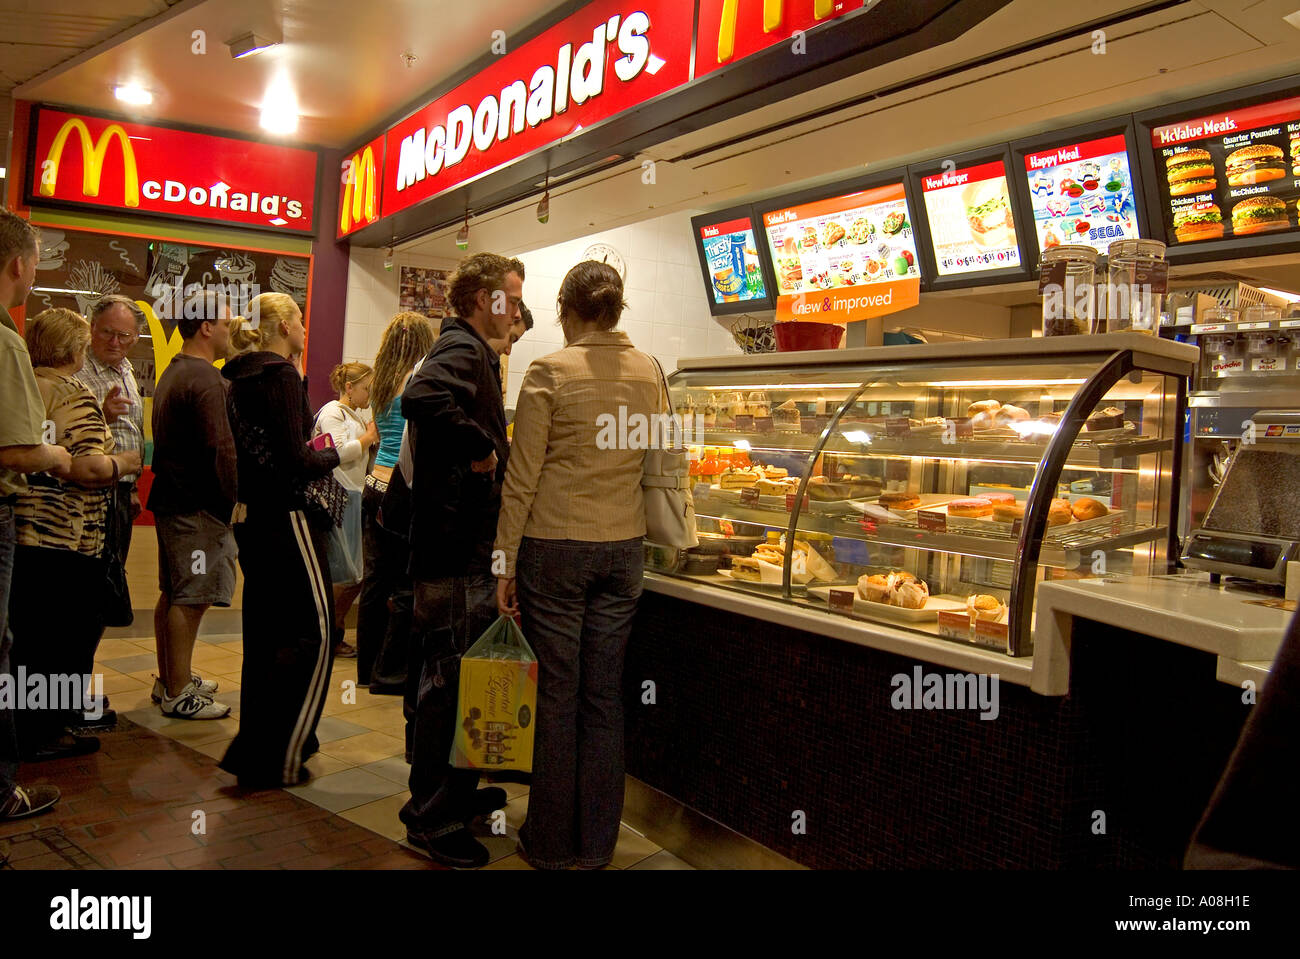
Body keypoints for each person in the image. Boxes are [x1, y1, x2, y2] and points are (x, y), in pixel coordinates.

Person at [495, 260, 664, 870]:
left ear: (568, 308)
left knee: (558, 698)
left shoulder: (550, 371)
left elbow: (522, 478)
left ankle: (550, 843)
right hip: (624, 551)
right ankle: (597, 846)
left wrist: (502, 563)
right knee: (603, 697)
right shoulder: (649, 370)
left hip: (556, 548)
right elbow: (658, 460)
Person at [398, 253, 525, 868]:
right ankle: (434, 818)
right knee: (449, 686)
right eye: (509, 297)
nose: (516, 310)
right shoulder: (466, 351)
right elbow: (421, 398)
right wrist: (481, 448)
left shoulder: (467, 349)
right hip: (454, 553)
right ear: (481, 299)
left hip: (447, 548)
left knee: (445, 682)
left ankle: (443, 797)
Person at [220, 292, 340, 788]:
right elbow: (295, 457)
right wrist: (337, 454)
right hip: (290, 515)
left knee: (266, 634)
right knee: (317, 632)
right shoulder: (282, 375)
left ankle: (256, 747)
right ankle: (287, 752)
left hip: (253, 519)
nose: (305, 330)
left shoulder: (237, 377)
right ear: (287, 324)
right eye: (301, 321)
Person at [9, 309, 141, 760]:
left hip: (21, 530)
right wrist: (125, 462)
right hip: (64, 534)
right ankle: (45, 732)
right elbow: (88, 467)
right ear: (77, 348)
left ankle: (20, 726)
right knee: (60, 638)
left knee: (25, 636)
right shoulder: (72, 392)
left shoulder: (23, 385)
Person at [0, 211, 72, 819]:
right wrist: (60, 454)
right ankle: (2, 788)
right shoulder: (4, 339)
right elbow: (20, 448)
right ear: (19, 264)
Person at [146, 289, 237, 719]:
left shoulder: (175, 372)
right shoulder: (203, 378)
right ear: (206, 326)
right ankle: (179, 689)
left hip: (176, 502)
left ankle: (171, 676)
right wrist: (231, 503)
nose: (231, 328)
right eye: (226, 320)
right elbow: (221, 450)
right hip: (197, 509)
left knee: (176, 592)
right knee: (193, 596)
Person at [356, 312, 436, 694]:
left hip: (373, 483)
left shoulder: (381, 381)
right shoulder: (418, 380)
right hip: (400, 489)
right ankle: (391, 670)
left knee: (374, 581)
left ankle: (366, 666)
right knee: (405, 583)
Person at [313, 362, 380, 661]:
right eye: (366, 388)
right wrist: (367, 438)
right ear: (349, 388)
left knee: (354, 573)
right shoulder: (333, 412)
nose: (369, 394)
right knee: (345, 572)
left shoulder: (351, 415)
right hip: (338, 495)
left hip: (352, 495)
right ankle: (326, 632)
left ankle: (332, 629)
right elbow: (337, 453)